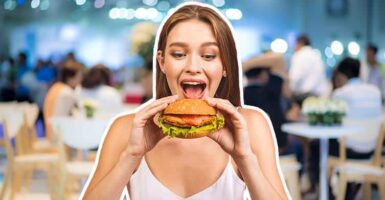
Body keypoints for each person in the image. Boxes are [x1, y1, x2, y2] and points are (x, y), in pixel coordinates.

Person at [82, 3, 288, 200]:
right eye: (179, 54)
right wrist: (131, 156)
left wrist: (245, 159)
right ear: (162, 62)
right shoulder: (127, 128)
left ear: (225, 65)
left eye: (208, 56)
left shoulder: (249, 125)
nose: (193, 66)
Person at [308, 57, 382, 197]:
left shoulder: (341, 93)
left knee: (316, 146)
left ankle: (327, 195)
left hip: (348, 152)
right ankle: (347, 193)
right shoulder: (375, 92)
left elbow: (331, 121)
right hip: (371, 152)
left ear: (341, 75)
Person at [43, 61, 83, 140]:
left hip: (49, 134)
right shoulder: (67, 93)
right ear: (69, 77)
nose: (81, 80)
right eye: (79, 76)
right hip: (59, 139)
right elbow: (73, 118)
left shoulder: (55, 87)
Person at [289, 34, 329, 105]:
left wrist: (289, 91)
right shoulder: (316, 55)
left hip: (304, 96)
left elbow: (296, 77)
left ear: (299, 43)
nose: (294, 47)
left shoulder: (299, 55)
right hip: (318, 95)